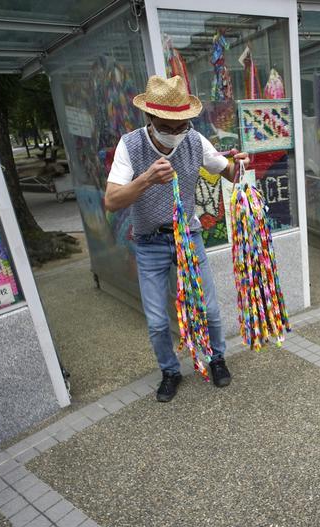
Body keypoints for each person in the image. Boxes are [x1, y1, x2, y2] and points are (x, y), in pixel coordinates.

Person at [104, 75, 248, 402]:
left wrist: (238, 163)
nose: (174, 133)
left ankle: (216, 359)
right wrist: (145, 179)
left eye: (181, 125)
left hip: (189, 237)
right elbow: (111, 201)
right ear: (150, 119)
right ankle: (170, 371)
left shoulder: (194, 140)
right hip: (149, 242)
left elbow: (229, 172)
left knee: (209, 309)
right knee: (157, 321)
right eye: (167, 126)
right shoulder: (130, 145)